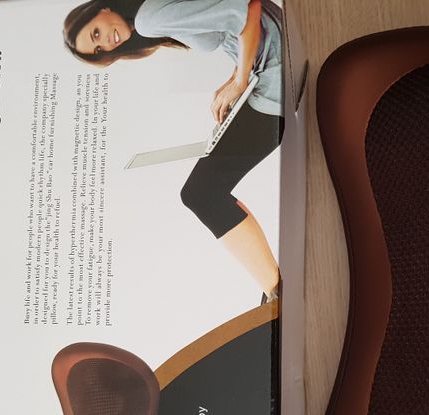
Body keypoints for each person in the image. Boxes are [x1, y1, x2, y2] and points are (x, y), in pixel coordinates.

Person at [64, 0, 283, 303]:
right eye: (98, 48)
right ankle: (272, 287)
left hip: (277, 76)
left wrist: (241, 81)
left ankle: (276, 291)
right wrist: (235, 79)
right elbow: (237, 19)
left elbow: (247, 10)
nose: (106, 43)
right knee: (204, 191)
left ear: (100, 10)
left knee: (202, 194)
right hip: (272, 64)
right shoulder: (148, 15)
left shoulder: (148, 19)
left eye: (96, 33)